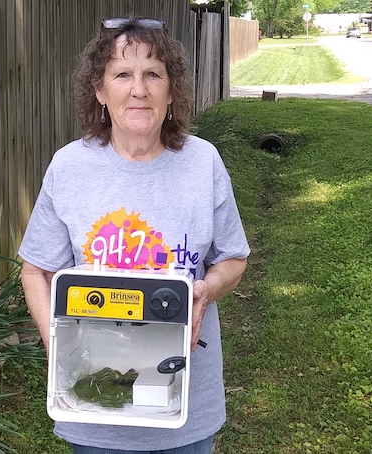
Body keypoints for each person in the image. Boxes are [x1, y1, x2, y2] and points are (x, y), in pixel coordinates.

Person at [18, 16, 250, 454]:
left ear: (171, 90)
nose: (139, 89)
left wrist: (207, 291)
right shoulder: (69, 168)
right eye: (122, 74)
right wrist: (58, 347)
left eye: (153, 74)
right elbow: (35, 271)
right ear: (100, 91)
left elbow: (233, 258)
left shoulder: (203, 163)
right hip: (93, 406)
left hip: (185, 407)